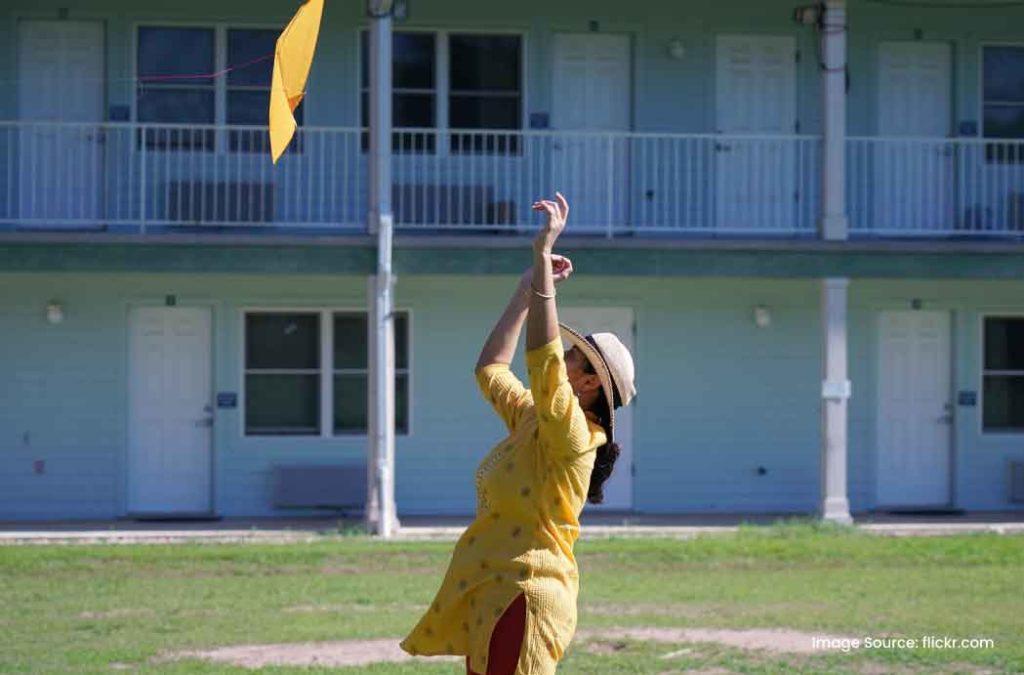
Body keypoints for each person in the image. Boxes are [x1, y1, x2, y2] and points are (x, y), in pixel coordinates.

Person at [398, 193, 638, 674]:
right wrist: (526, 290)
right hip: (493, 590)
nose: (566, 357)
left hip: (529, 597)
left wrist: (543, 259)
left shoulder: (574, 433)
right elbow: (491, 369)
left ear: (590, 383)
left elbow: (543, 361)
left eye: (577, 357)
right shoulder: (534, 418)